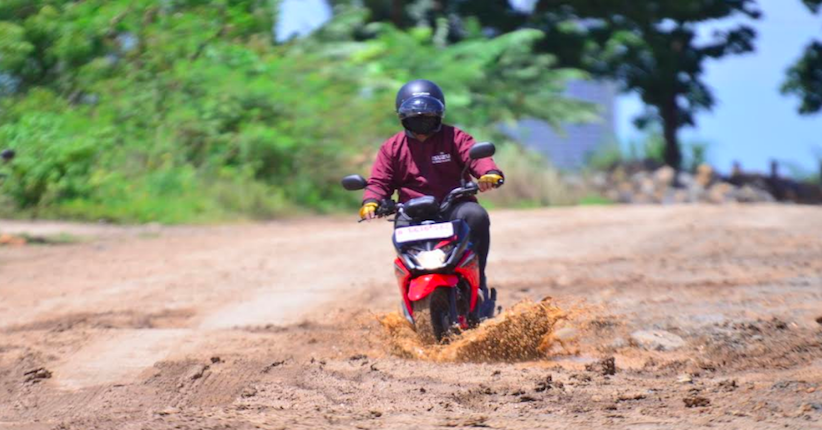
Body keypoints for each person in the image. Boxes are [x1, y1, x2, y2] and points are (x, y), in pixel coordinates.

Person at [360, 79, 504, 294]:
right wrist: (371, 201)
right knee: (401, 234)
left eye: (428, 115)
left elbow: (477, 159)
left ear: (439, 114)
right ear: (402, 117)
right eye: (414, 115)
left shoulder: (455, 137)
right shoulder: (392, 147)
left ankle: (478, 279)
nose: (421, 120)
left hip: (454, 206)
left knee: (476, 215)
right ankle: (410, 286)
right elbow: (380, 181)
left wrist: (488, 173)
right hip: (411, 210)